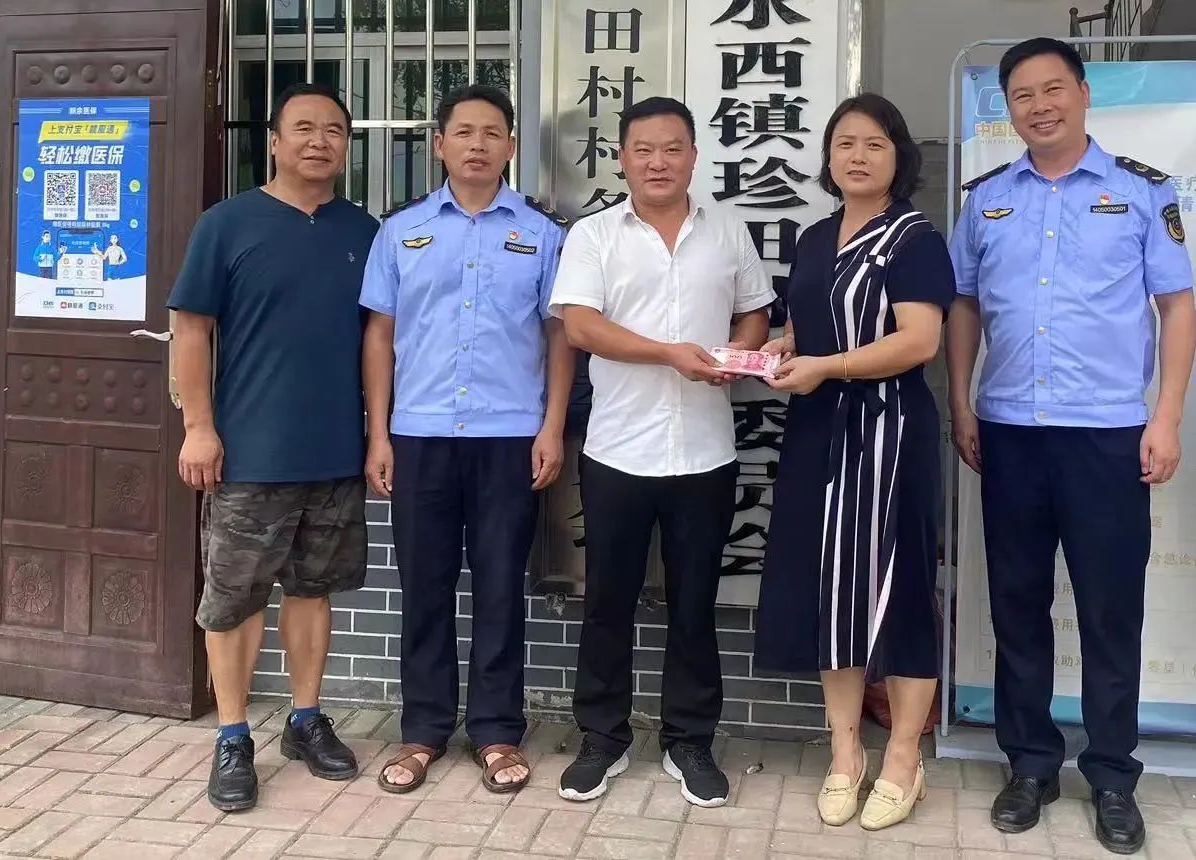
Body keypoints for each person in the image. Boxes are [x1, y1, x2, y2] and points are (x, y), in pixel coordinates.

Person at [945, 37, 1196, 855]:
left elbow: (1177, 306)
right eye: (1022, 95)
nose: (1039, 106)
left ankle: (1113, 777)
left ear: (1085, 94)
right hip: (1010, 431)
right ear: (1008, 109)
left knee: (1109, 611)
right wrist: (960, 401)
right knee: (1017, 605)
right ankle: (1030, 766)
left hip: (1107, 435)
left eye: (1053, 89)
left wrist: (1166, 416)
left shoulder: (1141, 192)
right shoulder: (986, 199)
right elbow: (963, 306)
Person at [548, 96, 774, 807]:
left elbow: (756, 309)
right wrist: (670, 353)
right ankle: (602, 738)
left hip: (705, 452)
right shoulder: (594, 234)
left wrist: (737, 353)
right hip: (618, 449)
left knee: (694, 605)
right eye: (643, 149)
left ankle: (690, 741)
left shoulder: (727, 228)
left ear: (693, 157)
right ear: (622, 158)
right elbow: (580, 327)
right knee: (606, 604)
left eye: (672, 148)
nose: (657, 162)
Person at [168, 82, 378, 813]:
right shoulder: (227, 224)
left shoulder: (364, 231)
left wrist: (376, 436)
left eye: (334, 130)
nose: (320, 141)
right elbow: (190, 330)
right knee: (234, 600)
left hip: (335, 450)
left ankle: (305, 719)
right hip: (249, 452)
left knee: (313, 592)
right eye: (304, 128)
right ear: (275, 141)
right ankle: (232, 737)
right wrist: (199, 426)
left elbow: (379, 340)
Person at [360, 84, 572, 796]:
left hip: (509, 437)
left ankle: (496, 731)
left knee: (500, 587)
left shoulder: (541, 236)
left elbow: (560, 335)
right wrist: (379, 433)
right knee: (423, 587)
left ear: (511, 146)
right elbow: (380, 335)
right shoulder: (401, 231)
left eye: (492, 133)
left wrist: (551, 426)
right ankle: (422, 730)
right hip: (419, 435)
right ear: (439, 143)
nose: (477, 145)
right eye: (463, 132)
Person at [754, 94, 955, 832]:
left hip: (890, 430)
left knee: (899, 587)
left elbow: (919, 342)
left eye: (875, 143)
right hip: (817, 431)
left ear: (900, 156)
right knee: (829, 587)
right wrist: (782, 349)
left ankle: (903, 756)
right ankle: (845, 752)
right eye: (845, 143)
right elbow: (808, 326)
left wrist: (826, 366)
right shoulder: (814, 237)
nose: (858, 156)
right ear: (828, 157)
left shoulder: (915, 239)